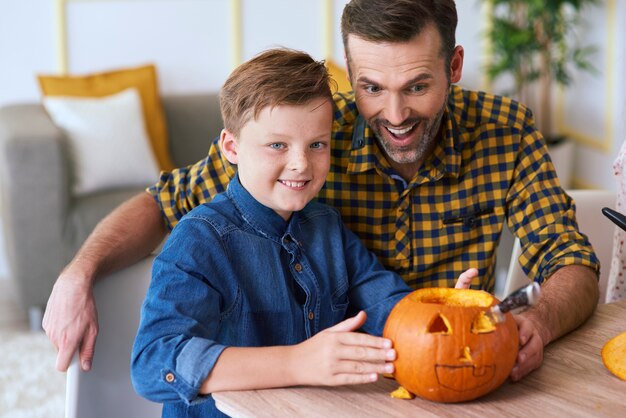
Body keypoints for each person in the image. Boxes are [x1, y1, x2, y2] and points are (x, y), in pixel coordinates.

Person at [44, 0, 599, 383]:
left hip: (413, 374)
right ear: (350, 73)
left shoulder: (328, 220)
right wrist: (79, 271)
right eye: (372, 88)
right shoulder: (297, 139)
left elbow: (566, 257)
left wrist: (454, 315)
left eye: (418, 86)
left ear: (453, 66)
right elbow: (163, 207)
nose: (396, 115)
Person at [131, 48, 472, 416]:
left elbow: (386, 306)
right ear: (232, 147)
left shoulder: (327, 227)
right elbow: (153, 363)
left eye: (317, 145)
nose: (300, 164)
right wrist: (297, 362)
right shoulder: (200, 240)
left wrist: (439, 319)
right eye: (277, 145)